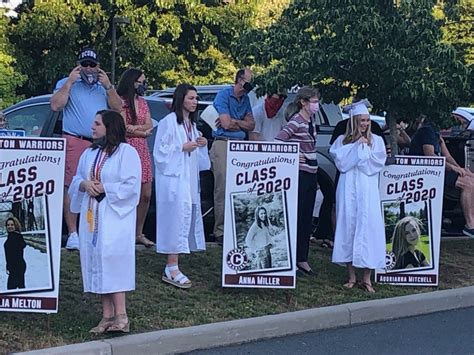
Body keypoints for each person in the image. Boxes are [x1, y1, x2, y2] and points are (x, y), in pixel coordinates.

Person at [68, 110, 141, 334]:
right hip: (92, 215)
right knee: (96, 259)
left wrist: (105, 188)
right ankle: (106, 316)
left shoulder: (126, 153)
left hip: (115, 217)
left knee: (113, 259)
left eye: (97, 123)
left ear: (109, 127)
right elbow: (77, 178)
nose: (92, 127)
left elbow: (131, 186)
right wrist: (84, 185)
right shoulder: (90, 153)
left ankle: (122, 315)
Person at [50, 48, 122, 251]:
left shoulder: (103, 86)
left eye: (92, 65)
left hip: (101, 142)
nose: (88, 69)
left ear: (98, 66)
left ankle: (95, 229)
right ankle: (73, 233)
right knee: (75, 185)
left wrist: (108, 86)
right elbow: (55, 105)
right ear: (78, 65)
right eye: (85, 65)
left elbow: (118, 108)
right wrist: (70, 82)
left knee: (100, 183)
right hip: (76, 140)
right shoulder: (67, 83)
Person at [153, 83, 207, 289]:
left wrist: (200, 143)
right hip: (174, 180)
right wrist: (181, 148)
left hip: (187, 179)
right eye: (191, 98)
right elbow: (160, 152)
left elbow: (199, 159)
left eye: (196, 98)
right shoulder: (168, 122)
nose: (195, 102)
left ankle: (175, 262)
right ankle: (171, 265)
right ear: (181, 99)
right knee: (174, 219)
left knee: (184, 216)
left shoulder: (191, 125)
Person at [330, 101, 387, 293]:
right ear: (354, 121)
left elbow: (373, 164)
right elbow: (342, 163)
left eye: (367, 120)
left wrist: (362, 150)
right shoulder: (342, 141)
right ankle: (352, 276)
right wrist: (356, 146)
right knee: (349, 226)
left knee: (369, 227)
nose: (365, 124)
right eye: (362, 120)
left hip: (367, 188)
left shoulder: (377, 140)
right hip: (347, 188)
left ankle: (367, 278)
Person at [275, 86, 320, 275]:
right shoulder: (296, 121)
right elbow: (278, 142)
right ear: (303, 102)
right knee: (298, 215)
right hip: (300, 173)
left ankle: (303, 258)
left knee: (307, 218)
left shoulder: (311, 121)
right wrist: (294, 155)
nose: (316, 105)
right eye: (314, 101)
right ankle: (293, 258)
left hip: (312, 172)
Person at [409, 117, 474, 238]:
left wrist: (462, 170)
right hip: (427, 172)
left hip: (439, 170)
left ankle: (471, 219)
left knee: (471, 180)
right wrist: (453, 168)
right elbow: (431, 156)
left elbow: (447, 156)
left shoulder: (436, 133)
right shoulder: (427, 131)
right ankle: (469, 225)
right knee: (468, 184)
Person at [211, 68, 255, 244]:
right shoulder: (223, 95)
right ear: (239, 80)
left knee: (239, 188)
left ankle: (237, 228)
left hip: (240, 146)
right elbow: (226, 124)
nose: (251, 84)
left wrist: (236, 122)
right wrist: (239, 123)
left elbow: (251, 125)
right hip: (223, 143)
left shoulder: (246, 100)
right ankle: (220, 230)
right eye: (248, 80)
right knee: (222, 187)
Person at [117, 68, 155, 248]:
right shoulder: (121, 102)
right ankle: (124, 231)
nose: (143, 85)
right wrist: (141, 131)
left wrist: (136, 130)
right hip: (127, 149)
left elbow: (150, 125)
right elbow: (124, 128)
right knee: (127, 192)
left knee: (146, 194)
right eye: (140, 82)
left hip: (143, 151)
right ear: (131, 82)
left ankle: (138, 233)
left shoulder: (143, 102)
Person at [4, 217, 26, 290]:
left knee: (11, 289)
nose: (10, 226)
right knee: (20, 288)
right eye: (8, 225)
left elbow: (16, 254)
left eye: (12, 225)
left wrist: (10, 267)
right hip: (16, 267)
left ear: (15, 226)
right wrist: (8, 266)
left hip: (17, 267)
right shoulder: (11, 236)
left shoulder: (16, 236)